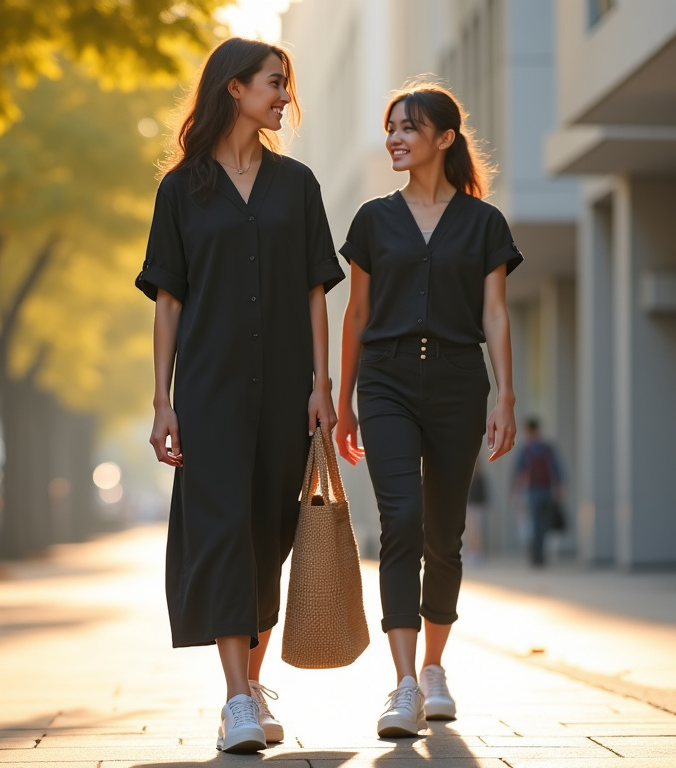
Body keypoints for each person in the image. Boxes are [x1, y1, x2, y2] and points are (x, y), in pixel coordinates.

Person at [135, 38, 344, 754]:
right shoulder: (182, 189)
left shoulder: (299, 185)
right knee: (223, 532)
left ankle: (250, 686)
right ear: (235, 89)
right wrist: (162, 401)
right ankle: (235, 699)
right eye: (274, 83)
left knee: (268, 538)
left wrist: (322, 383)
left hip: (287, 385)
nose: (285, 96)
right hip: (209, 387)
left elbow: (317, 291)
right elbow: (168, 301)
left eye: (285, 84)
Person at [336, 81, 522, 738]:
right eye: (390, 127)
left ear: (444, 138)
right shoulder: (371, 220)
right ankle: (404, 684)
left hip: (458, 382)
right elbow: (356, 313)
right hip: (384, 379)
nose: (395, 138)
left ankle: (436, 669)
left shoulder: (483, 223)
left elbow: (495, 313)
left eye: (408, 128)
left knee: (445, 533)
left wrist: (505, 392)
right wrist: (342, 400)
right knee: (402, 521)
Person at [513, 418, 565, 567]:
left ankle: (536, 553)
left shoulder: (526, 449)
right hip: (547, 490)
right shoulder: (548, 448)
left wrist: (515, 492)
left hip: (532, 491)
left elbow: (518, 471)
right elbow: (557, 469)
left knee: (534, 523)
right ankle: (540, 553)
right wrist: (560, 487)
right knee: (543, 523)